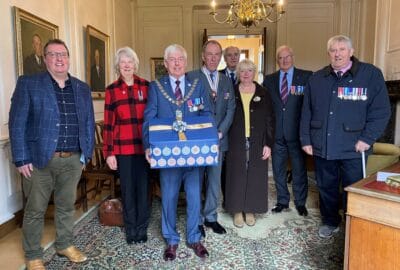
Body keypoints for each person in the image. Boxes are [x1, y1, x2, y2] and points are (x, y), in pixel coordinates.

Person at [9, 39, 95, 270]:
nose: (59, 59)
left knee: (67, 206)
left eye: (63, 54)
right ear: (45, 58)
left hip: (73, 159)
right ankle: (33, 255)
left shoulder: (81, 87)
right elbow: (17, 123)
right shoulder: (29, 84)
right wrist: (21, 158)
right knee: (35, 210)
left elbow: (87, 122)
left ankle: (64, 244)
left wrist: (87, 153)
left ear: (68, 58)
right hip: (38, 161)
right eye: (53, 54)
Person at [300, 35, 391, 238]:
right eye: (333, 50)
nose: (338, 53)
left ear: (351, 52)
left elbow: (381, 111)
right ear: (329, 53)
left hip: (355, 147)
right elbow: (306, 112)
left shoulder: (370, 75)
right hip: (323, 145)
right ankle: (331, 221)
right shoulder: (317, 78)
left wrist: (367, 139)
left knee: (354, 187)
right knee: (326, 186)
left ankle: (353, 223)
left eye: (342, 49)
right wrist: (306, 140)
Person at [142, 44, 212, 261]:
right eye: (172, 59)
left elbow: (206, 113)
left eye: (180, 58)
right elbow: (149, 119)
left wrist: (210, 137)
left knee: (194, 198)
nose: (177, 63)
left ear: (186, 61)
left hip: (194, 155)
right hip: (167, 156)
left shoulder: (197, 86)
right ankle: (171, 240)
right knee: (169, 198)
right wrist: (148, 146)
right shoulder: (156, 87)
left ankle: (193, 238)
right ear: (165, 63)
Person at [187, 40, 235, 237]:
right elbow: (187, 107)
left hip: (219, 141)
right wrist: (202, 132)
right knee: (196, 181)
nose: (213, 58)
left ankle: (211, 217)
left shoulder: (226, 80)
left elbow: (231, 107)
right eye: (210, 54)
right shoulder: (191, 77)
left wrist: (221, 131)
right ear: (203, 56)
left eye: (217, 54)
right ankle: (196, 219)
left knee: (214, 181)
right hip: (198, 141)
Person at [103, 47, 150, 245]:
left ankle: (142, 228)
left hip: (144, 149)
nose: (127, 65)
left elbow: (152, 119)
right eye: (123, 62)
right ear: (118, 66)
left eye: (130, 61)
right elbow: (108, 124)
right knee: (128, 191)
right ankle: (131, 230)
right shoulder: (111, 90)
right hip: (123, 150)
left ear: (135, 64)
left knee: (143, 190)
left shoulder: (147, 86)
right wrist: (109, 153)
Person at [263, 45, 312, 216]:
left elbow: (310, 106)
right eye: (280, 58)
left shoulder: (306, 77)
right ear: (277, 61)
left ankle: (300, 202)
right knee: (278, 170)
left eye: (287, 57)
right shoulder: (269, 80)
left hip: (298, 135)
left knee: (299, 170)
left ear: (292, 57)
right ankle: (282, 201)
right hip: (277, 135)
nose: (284, 60)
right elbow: (266, 108)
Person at [225, 59, 275, 227]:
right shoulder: (231, 91)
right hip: (235, 140)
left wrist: (268, 144)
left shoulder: (264, 92)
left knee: (255, 174)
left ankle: (250, 209)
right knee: (237, 174)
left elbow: (270, 119)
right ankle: (237, 210)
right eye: (242, 71)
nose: (246, 74)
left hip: (258, 140)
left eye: (249, 71)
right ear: (238, 73)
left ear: (254, 73)